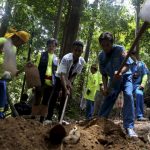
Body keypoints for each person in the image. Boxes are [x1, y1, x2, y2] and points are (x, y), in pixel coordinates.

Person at [98, 32, 137, 137]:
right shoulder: (101, 57)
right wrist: (105, 88)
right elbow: (104, 75)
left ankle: (129, 127)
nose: (105, 47)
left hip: (125, 77)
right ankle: (100, 122)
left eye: (108, 45)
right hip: (113, 81)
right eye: (103, 45)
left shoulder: (120, 49)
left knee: (128, 95)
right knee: (109, 97)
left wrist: (121, 72)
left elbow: (127, 65)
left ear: (112, 43)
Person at [45, 41, 85, 123]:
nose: (77, 52)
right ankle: (48, 118)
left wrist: (70, 82)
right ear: (72, 50)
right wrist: (65, 88)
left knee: (64, 98)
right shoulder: (66, 58)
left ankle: (60, 119)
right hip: (59, 77)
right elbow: (62, 75)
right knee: (54, 96)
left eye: (79, 51)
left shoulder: (81, 61)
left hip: (68, 78)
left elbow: (75, 73)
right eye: (75, 50)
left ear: (82, 51)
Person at [0, 30, 30, 119]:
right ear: (16, 37)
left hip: (2, 76)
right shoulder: (3, 40)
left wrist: (23, 69)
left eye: (23, 43)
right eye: (21, 42)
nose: (21, 44)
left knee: (4, 103)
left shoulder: (14, 49)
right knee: (2, 86)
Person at [32, 38, 59, 123]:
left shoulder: (56, 58)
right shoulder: (41, 54)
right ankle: (33, 117)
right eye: (50, 45)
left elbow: (57, 72)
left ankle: (41, 120)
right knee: (37, 99)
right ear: (47, 46)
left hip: (51, 82)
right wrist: (34, 82)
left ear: (56, 47)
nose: (51, 47)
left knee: (46, 101)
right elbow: (36, 67)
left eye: (53, 45)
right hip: (40, 80)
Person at [130, 51, 149, 121]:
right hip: (128, 85)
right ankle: (130, 116)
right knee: (128, 96)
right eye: (130, 55)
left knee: (139, 93)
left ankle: (139, 115)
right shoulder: (127, 65)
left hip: (138, 85)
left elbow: (145, 74)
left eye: (133, 54)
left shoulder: (142, 64)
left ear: (135, 55)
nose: (131, 56)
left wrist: (143, 83)